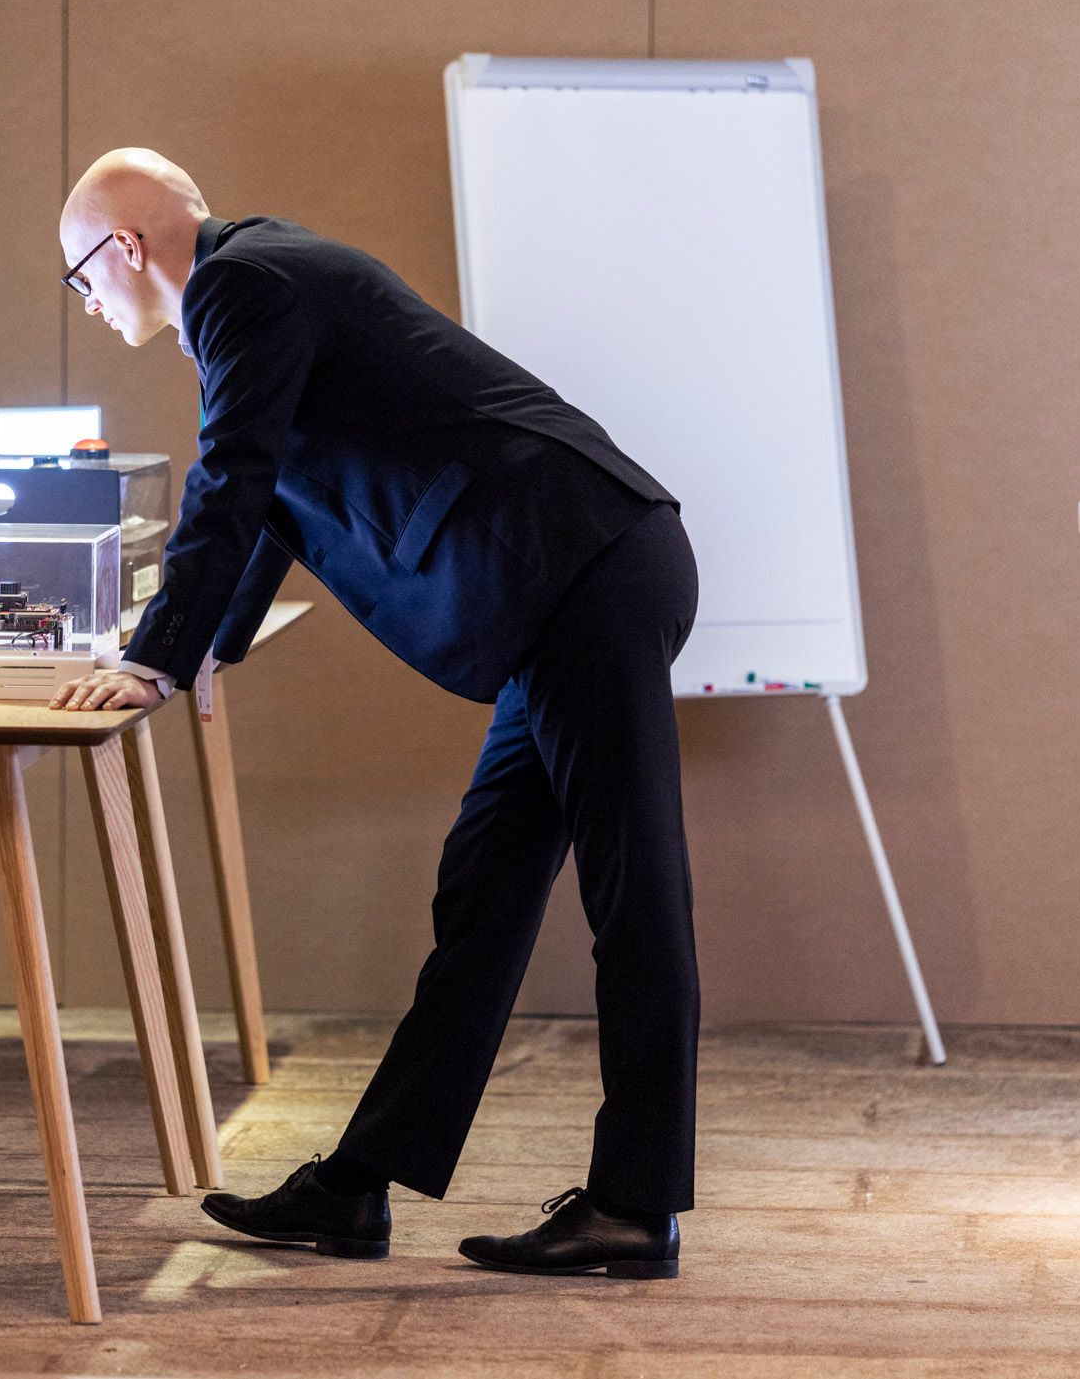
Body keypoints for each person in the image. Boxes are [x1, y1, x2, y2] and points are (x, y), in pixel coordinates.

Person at [49, 147, 699, 1278]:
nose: (90, 303)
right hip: (564, 584)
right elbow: (269, 499)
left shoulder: (243, 288)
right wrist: (199, 646)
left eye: (79, 277)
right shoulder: (254, 283)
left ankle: (637, 1206)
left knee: (633, 895)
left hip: (582, 571)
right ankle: (355, 1192)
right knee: (484, 892)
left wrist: (156, 663)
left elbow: (233, 482)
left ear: (127, 247)